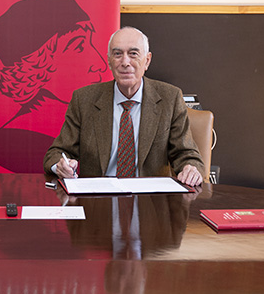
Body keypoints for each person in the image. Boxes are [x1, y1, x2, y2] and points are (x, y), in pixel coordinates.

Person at [43, 26, 204, 187]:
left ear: (147, 60)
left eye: (133, 54)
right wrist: (60, 166)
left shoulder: (170, 98)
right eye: (118, 54)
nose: (125, 62)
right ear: (109, 61)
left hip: (150, 196)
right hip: (98, 196)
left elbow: (187, 154)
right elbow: (56, 153)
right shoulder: (84, 100)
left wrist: (190, 169)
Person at [0, 0, 109, 173]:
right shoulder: (12, 141)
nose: (101, 64)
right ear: (37, 64)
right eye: (79, 46)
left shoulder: (90, 124)